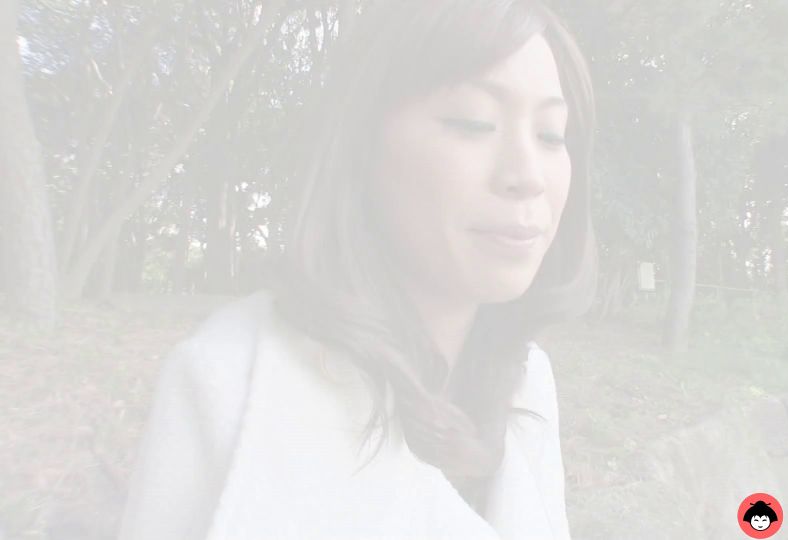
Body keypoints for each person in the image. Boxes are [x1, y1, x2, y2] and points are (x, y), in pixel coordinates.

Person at [117, 0, 597, 538]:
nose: (528, 175)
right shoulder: (226, 379)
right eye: (473, 122)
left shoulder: (527, 380)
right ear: (363, 143)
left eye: (551, 134)